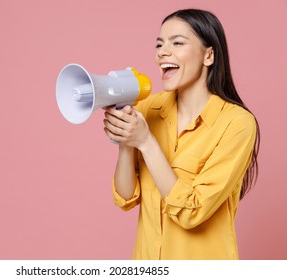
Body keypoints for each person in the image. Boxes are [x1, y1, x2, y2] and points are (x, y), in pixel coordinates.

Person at [103, 8, 260, 260]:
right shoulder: (148, 109)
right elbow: (125, 198)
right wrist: (125, 142)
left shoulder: (237, 123)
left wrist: (145, 142)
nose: (163, 52)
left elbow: (193, 212)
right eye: (159, 44)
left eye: (177, 43)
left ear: (208, 55)